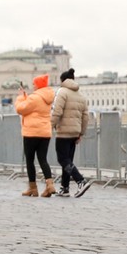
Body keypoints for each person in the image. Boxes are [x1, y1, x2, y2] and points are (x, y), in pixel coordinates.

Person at [51, 69, 92, 198]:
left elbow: (57, 112)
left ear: (62, 80)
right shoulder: (80, 96)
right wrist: (81, 133)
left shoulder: (62, 92)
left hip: (63, 132)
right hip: (75, 132)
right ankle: (65, 188)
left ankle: (80, 180)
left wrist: (50, 126)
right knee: (68, 161)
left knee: (63, 159)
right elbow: (85, 117)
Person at [15, 74, 56, 197]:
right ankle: (50, 185)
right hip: (45, 132)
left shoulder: (35, 97)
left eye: (34, 84)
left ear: (38, 85)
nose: (33, 86)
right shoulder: (47, 96)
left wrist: (20, 97)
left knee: (30, 160)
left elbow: (21, 109)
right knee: (43, 159)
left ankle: (33, 188)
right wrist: (26, 97)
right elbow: (33, 107)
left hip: (32, 132)